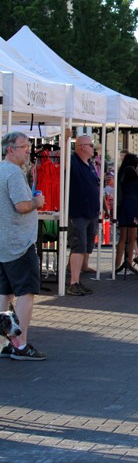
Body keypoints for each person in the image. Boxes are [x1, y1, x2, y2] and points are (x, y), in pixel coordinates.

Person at [0, 132, 47, 360]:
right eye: (24, 146)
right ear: (10, 149)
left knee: (4, 293)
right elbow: (21, 206)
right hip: (18, 243)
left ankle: (3, 343)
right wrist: (36, 202)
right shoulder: (13, 173)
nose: (29, 150)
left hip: (4, 242)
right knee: (26, 292)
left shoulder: (1, 170)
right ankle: (20, 344)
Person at [67, 135, 101, 297]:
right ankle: (73, 282)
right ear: (81, 147)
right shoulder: (73, 161)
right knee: (78, 246)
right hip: (78, 212)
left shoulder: (89, 165)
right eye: (90, 145)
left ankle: (77, 279)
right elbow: (65, 157)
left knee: (85, 246)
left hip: (91, 212)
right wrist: (66, 139)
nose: (93, 148)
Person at [114, 153, 138, 278]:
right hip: (132, 206)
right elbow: (137, 187)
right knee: (132, 237)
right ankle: (129, 262)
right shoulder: (131, 172)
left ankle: (117, 265)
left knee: (122, 237)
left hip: (124, 206)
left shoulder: (121, 172)